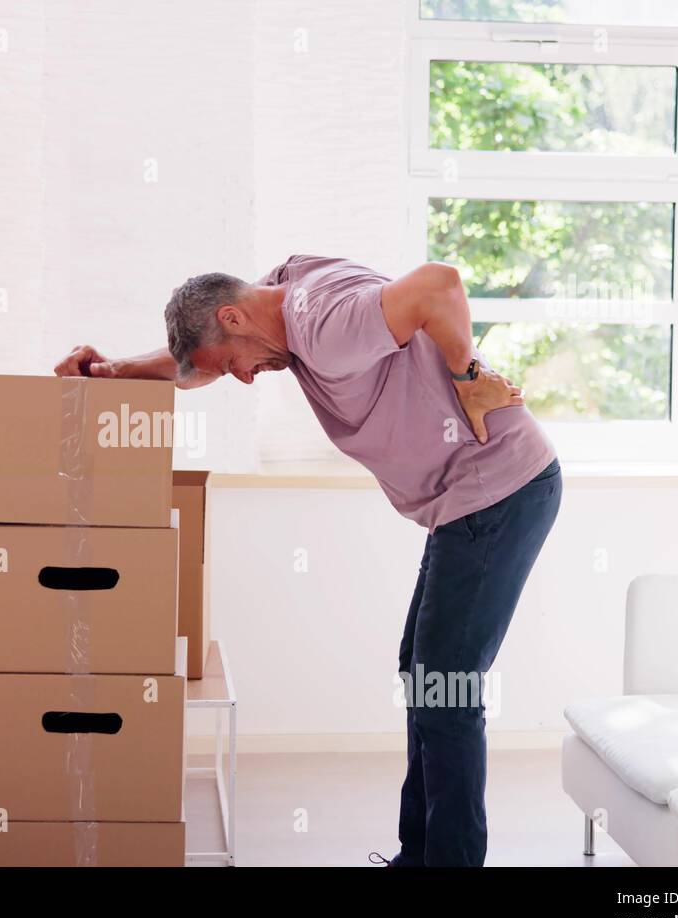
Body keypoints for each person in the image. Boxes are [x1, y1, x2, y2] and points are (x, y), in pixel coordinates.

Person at [54, 255, 561, 867]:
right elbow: (199, 366)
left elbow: (441, 284)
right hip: (468, 501)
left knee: (446, 689)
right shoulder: (278, 295)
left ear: (234, 316)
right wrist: (119, 369)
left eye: (233, 366)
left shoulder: (322, 323)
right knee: (424, 674)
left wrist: (468, 373)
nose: (244, 380)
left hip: (498, 492)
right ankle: (418, 853)